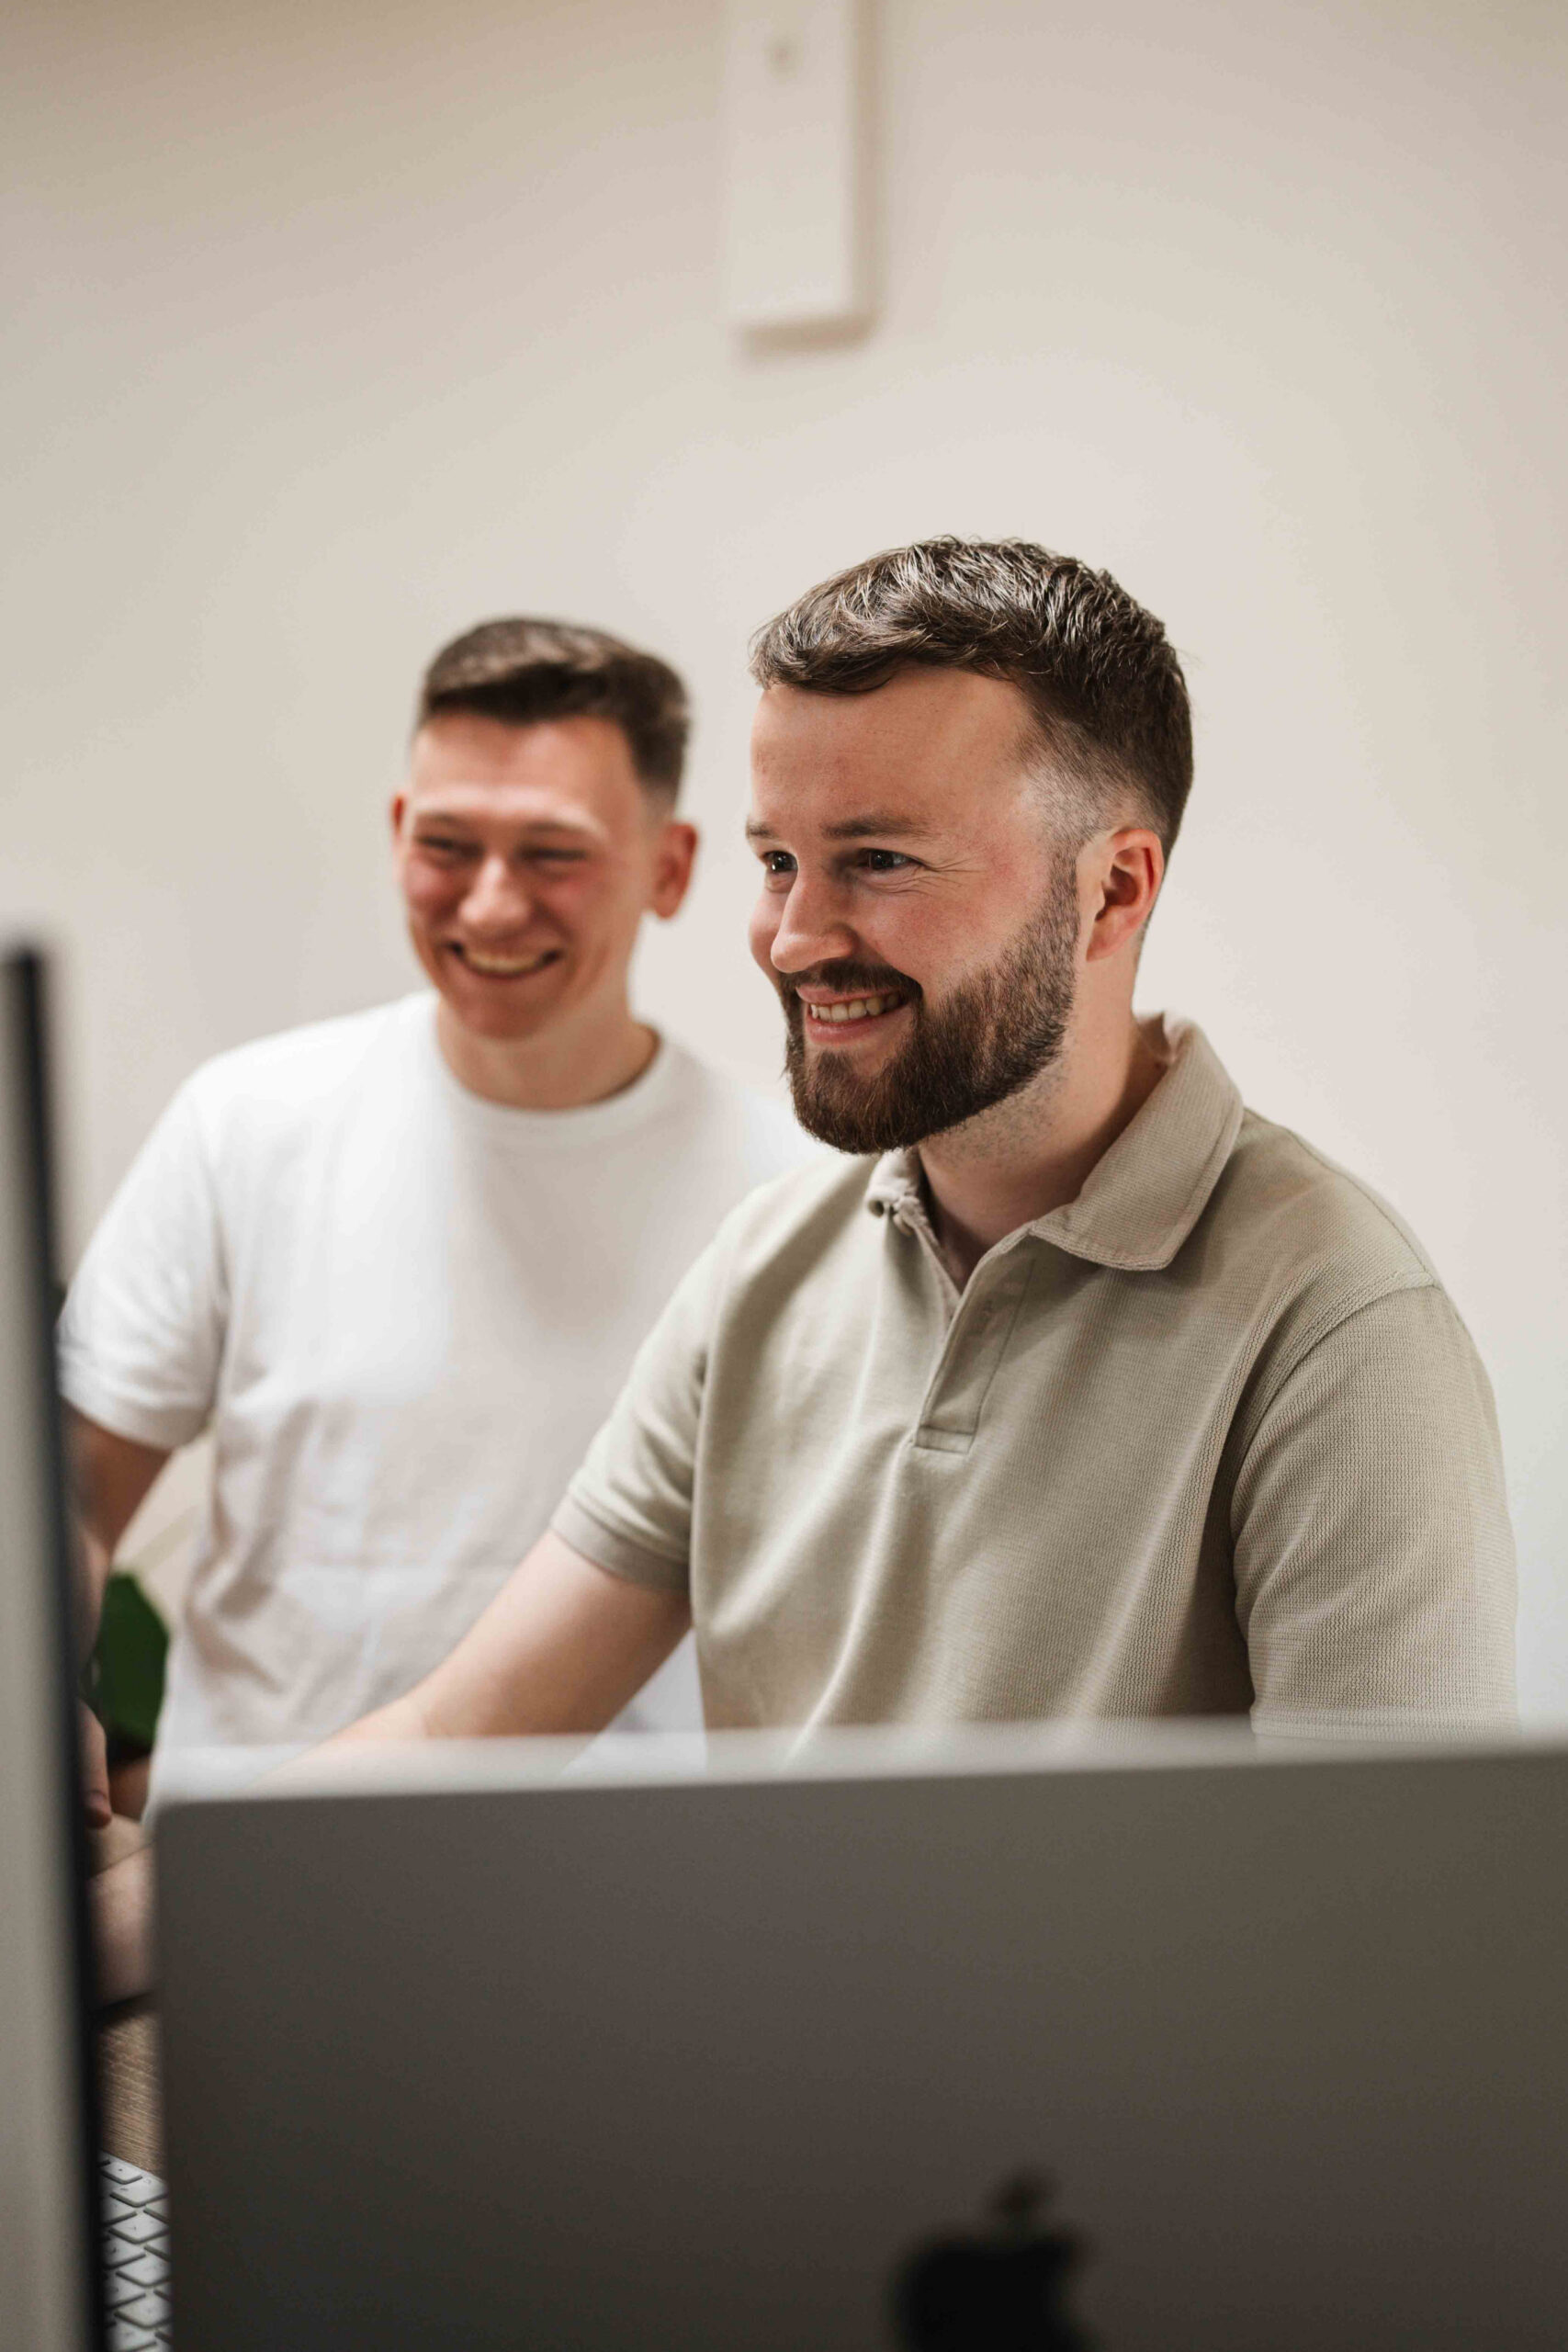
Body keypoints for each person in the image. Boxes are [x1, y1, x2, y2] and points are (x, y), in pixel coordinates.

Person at [94, 538, 1517, 1997]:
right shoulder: (766, 1271)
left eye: (879, 862)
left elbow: (1383, 1967)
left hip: (1074, 2149)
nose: (793, 939)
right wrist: (87, 1937)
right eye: (781, 861)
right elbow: (466, 1729)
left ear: (1112, 891)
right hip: (760, 2095)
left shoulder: (1338, 1326)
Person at [63, 616, 817, 1830]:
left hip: (630, 1896)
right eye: (446, 845)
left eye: (553, 854)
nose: (491, 903)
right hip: (247, 1883)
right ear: (397, 833)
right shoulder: (245, 1127)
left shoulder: (795, 1198)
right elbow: (70, 1494)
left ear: (670, 869)